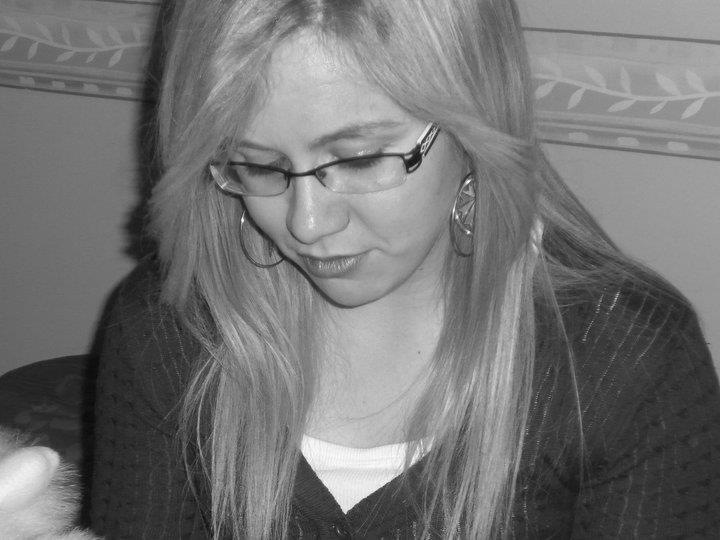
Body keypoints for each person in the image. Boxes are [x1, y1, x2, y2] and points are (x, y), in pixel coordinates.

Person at [85, 0, 720, 538]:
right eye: (258, 166)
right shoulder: (169, 330)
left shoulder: (625, 359)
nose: (307, 223)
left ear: (476, 127)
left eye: (360, 160)